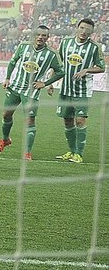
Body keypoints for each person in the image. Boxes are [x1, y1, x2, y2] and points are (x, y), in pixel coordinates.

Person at [0, 25, 65, 160]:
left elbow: (61, 72)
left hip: (31, 92)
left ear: (48, 38)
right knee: (6, 114)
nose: (40, 37)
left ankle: (27, 152)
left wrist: (45, 84)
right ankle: (5, 140)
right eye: (38, 34)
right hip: (15, 87)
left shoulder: (51, 54)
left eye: (44, 35)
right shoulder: (23, 46)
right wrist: (7, 78)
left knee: (30, 120)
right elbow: (13, 61)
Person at [52, 18, 105, 163]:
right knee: (68, 121)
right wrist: (50, 82)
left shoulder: (94, 47)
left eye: (87, 30)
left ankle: (79, 154)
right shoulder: (66, 42)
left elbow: (102, 67)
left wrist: (87, 70)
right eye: (82, 28)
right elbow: (58, 64)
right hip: (65, 90)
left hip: (82, 91)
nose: (84, 32)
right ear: (77, 27)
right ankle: (71, 151)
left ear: (91, 32)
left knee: (80, 121)